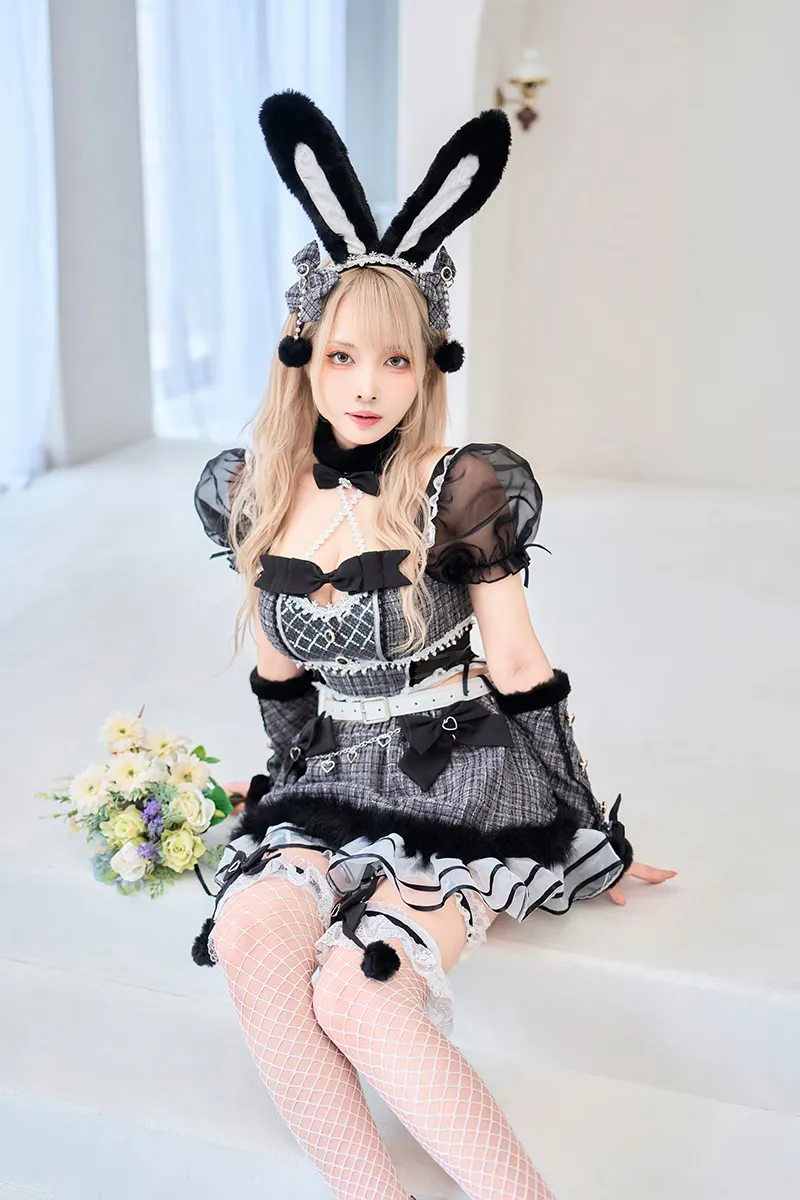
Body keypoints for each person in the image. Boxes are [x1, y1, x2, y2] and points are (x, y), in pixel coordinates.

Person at [192, 90, 676, 1200]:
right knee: (252, 935)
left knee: (357, 990)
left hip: (457, 768)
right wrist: (277, 780)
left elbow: (518, 666)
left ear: (429, 368)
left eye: (397, 363)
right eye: (344, 357)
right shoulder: (251, 493)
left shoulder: (458, 487)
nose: (368, 387)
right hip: (332, 772)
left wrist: (582, 828)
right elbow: (281, 673)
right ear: (304, 355)